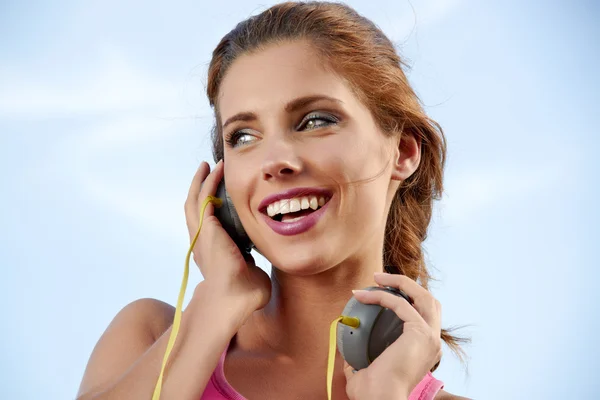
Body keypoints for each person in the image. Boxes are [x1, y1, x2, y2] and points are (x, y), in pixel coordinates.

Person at [76, 2, 469, 399]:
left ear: (402, 151)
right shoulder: (147, 339)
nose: (275, 161)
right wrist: (219, 299)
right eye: (243, 137)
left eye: (317, 121)